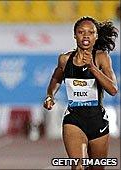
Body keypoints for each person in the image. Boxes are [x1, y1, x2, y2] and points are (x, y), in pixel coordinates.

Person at [43, 16, 118, 170]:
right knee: (78, 166)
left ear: (96, 36)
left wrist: (92, 67)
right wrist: (50, 95)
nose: (85, 35)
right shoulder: (65, 59)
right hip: (73, 119)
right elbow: (56, 79)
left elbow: (113, 89)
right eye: (81, 32)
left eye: (90, 32)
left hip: (97, 120)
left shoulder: (101, 57)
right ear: (75, 35)